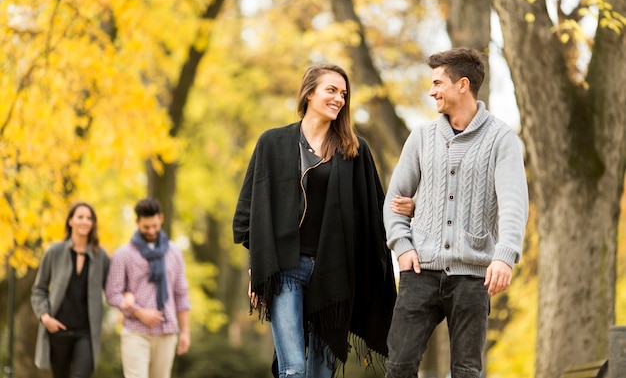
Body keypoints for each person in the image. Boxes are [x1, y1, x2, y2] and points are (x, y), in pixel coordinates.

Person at [233, 64, 405, 378]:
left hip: (333, 274)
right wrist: (258, 267)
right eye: (331, 90)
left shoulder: (355, 151)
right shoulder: (272, 143)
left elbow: (373, 216)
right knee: (294, 369)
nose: (339, 98)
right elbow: (249, 215)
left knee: (321, 374)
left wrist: (408, 216)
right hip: (286, 269)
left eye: (343, 93)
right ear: (309, 93)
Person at [383, 47, 529, 378]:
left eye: (438, 82)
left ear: (462, 85)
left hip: (473, 276)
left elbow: (513, 204)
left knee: (466, 370)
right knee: (399, 364)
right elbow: (395, 199)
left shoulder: (501, 138)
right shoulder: (421, 136)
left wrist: (504, 256)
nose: (431, 90)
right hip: (420, 272)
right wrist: (402, 247)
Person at [106, 198, 191, 378]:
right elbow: (112, 293)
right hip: (136, 331)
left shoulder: (174, 252)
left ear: (161, 218)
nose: (151, 231)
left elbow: (181, 294)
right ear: (137, 223)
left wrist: (185, 331)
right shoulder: (123, 254)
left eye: (154, 225)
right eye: (146, 227)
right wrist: (139, 312)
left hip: (167, 331)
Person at [31, 202, 110, 378]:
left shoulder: (101, 256)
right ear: (70, 221)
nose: (85, 221)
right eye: (80, 217)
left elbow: (113, 289)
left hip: (86, 333)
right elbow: (39, 289)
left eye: (89, 218)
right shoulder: (54, 251)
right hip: (58, 330)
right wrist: (45, 317)